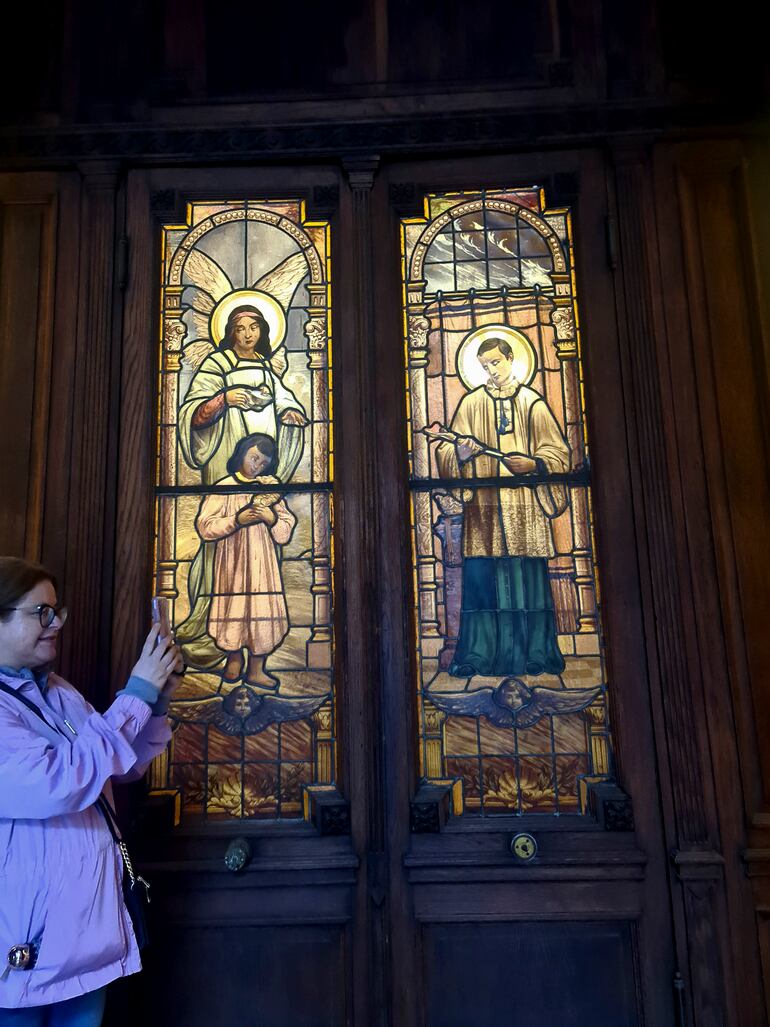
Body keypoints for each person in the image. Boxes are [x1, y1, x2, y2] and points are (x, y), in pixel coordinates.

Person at [0, 557, 180, 1025]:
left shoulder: (59, 692)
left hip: (83, 938)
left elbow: (116, 769)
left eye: (57, 612)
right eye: (41, 613)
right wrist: (136, 694)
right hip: (23, 944)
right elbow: (58, 782)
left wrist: (155, 704)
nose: (55, 623)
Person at [435, 336, 570, 678]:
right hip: (485, 512)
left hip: (525, 509)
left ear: (512, 359)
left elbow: (559, 454)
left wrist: (537, 465)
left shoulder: (532, 403)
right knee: (482, 582)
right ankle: (479, 655)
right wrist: (461, 454)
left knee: (527, 579)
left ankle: (534, 653)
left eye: (495, 363)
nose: (491, 371)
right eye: (484, 366)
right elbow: (448, 453)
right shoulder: (471, 403)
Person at [182, 433, 296, 688]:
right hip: (231, 564)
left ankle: (257, 667)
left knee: (261, 609)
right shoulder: (224, 487)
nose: (257, 466)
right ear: (241, 454)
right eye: (254, 458)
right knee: (232, 609)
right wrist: (236, 521)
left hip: (261, 565)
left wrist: (271, 517)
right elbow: (205, 526)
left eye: (263, 463)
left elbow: (285, 529)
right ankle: (234, 660)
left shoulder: (270, 490)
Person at [178, 304, 308, 486]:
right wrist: (224, 399)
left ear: (261, 331)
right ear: (232, 333)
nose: (248, 335)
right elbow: (194, 411)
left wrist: (289, 410)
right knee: (227, 495)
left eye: (253, 328)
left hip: (263, 443)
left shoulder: (265, 365)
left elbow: (280, 395)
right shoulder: (218, 362)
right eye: (241, 329)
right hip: (227, 441)